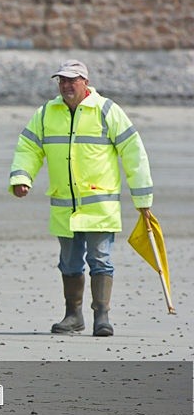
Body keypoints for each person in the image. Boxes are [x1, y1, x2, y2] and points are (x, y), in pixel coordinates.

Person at [9, 59, 153, 337]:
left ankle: (102, 317)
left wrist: (142, 196)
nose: (65, 85)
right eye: (61, 80)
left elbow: (134, 152)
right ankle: (73, 316)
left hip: (100, 206)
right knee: (70, 264)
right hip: (65, 206)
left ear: (85, 82)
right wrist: (21, 178)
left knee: (101, 260)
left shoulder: (107, 111)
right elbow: (28, 147)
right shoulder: (46, 113)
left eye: (71, 80)